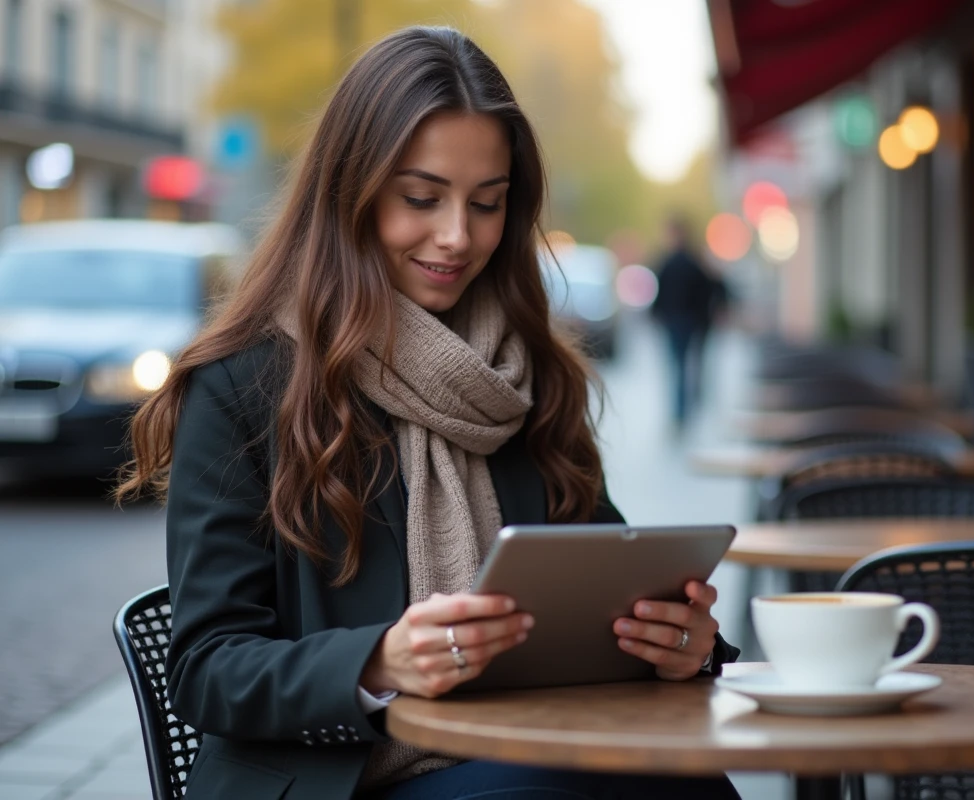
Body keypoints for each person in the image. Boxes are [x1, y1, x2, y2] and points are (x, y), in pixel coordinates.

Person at [117, 27, 740, 800]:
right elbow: (206, 668)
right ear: (351, 190)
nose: (458, 236)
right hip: (342, 777)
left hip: (532, 747)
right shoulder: (244, 383)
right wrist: (378, 661)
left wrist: (682, 643)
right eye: (421, 198)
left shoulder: (530, 375)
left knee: (686, 780)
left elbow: (604, 580)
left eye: (487, 204)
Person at [650, 216, 727, 430]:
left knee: (679, 366)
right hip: (686, 322)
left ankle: (681, 410)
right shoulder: (691, 262)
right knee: (684, 366)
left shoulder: (675, 262)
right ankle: (685, 408)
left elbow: (662, 293)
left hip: (680, 322)